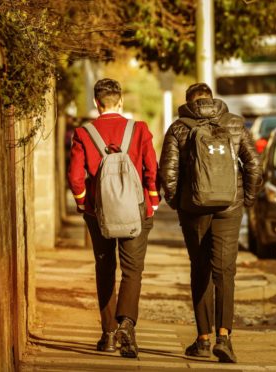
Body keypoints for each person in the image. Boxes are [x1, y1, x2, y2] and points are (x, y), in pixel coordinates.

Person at [159, 83, 262, 363]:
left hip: (193, 209)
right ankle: (224, 338)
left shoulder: (179, 127)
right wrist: (247, 199)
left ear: (189, 102)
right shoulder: (235, 124)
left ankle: (203, 340)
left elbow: (168, 174)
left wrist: (178, 203)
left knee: (200, 268)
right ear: (212, 99)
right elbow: (253, 164)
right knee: (224, 270)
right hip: (230, 205)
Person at [68, 78, 160, 358]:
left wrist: (85, 204)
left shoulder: (84, 133)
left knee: (105, 268)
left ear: (97, 104)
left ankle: (108, 335)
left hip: (100, 214)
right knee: (133, 271)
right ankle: (127, 326)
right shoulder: (139, 129)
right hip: (136, 210)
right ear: (120, 101)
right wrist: (153, 201)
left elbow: (74, 177)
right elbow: (151, 169)